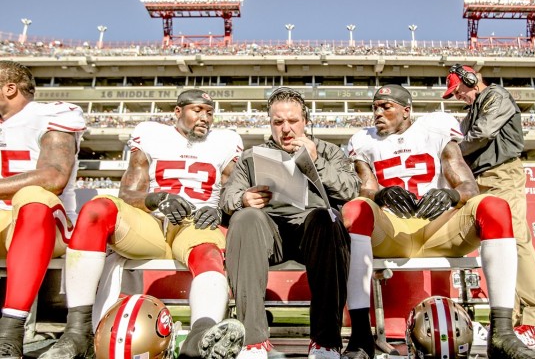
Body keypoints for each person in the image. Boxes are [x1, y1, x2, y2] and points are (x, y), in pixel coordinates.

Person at [341, 84, 535, 359]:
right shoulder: (363, 140)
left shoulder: (435, 127)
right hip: (394, 231)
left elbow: (469, 186)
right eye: (375, 107)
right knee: (355, 208)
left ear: (406, 110)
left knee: (495, 206)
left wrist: (451, 195)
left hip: (437, 228)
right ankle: (361, 337)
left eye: (385, 107)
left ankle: (502, 334)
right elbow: (365, 189)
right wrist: (380, 194)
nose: (377, 113)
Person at [40, 89, 246, 359]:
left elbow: (234, 193)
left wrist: (219, 211)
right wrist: (156, 199)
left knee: (207, 252)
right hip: (152, 222)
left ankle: (199, 339)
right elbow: (128, 194)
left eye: (209, 112)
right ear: (177, 111)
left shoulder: (225, 141)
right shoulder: (152, 134)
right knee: (96, 210)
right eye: (197, 110)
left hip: (196, 223)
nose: (204, 118)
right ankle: (78, 332)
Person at [220, 87, 360, 359]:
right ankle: (253, 341)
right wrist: (243, 198)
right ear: (270, 123)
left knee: (327, 219)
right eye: (278, 122)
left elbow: (351, 190)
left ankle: (325, 341)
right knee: (245, 217)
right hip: (268, 234)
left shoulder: (329, 151)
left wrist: (316, 161)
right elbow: (227, 196)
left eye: (293, 121)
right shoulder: (251, 156)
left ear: (305, 121)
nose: (285, 129)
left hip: (314, 233)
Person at [443, 64, 535, 349]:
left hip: (501, 175)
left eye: (458, 90)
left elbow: (482, 134)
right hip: (480, 180)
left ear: (471, 79)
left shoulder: (495, 95)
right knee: (498, 249)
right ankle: (512, 323)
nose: (457, 96)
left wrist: (451, 151)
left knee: (514, 242)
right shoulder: (472, 110)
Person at [0, 60, 86, 358]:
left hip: (46, 224)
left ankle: (10, 332)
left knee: (35, 198)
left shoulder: (50, 115)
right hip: (5, 222)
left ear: (10, 88)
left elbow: (54, 177)